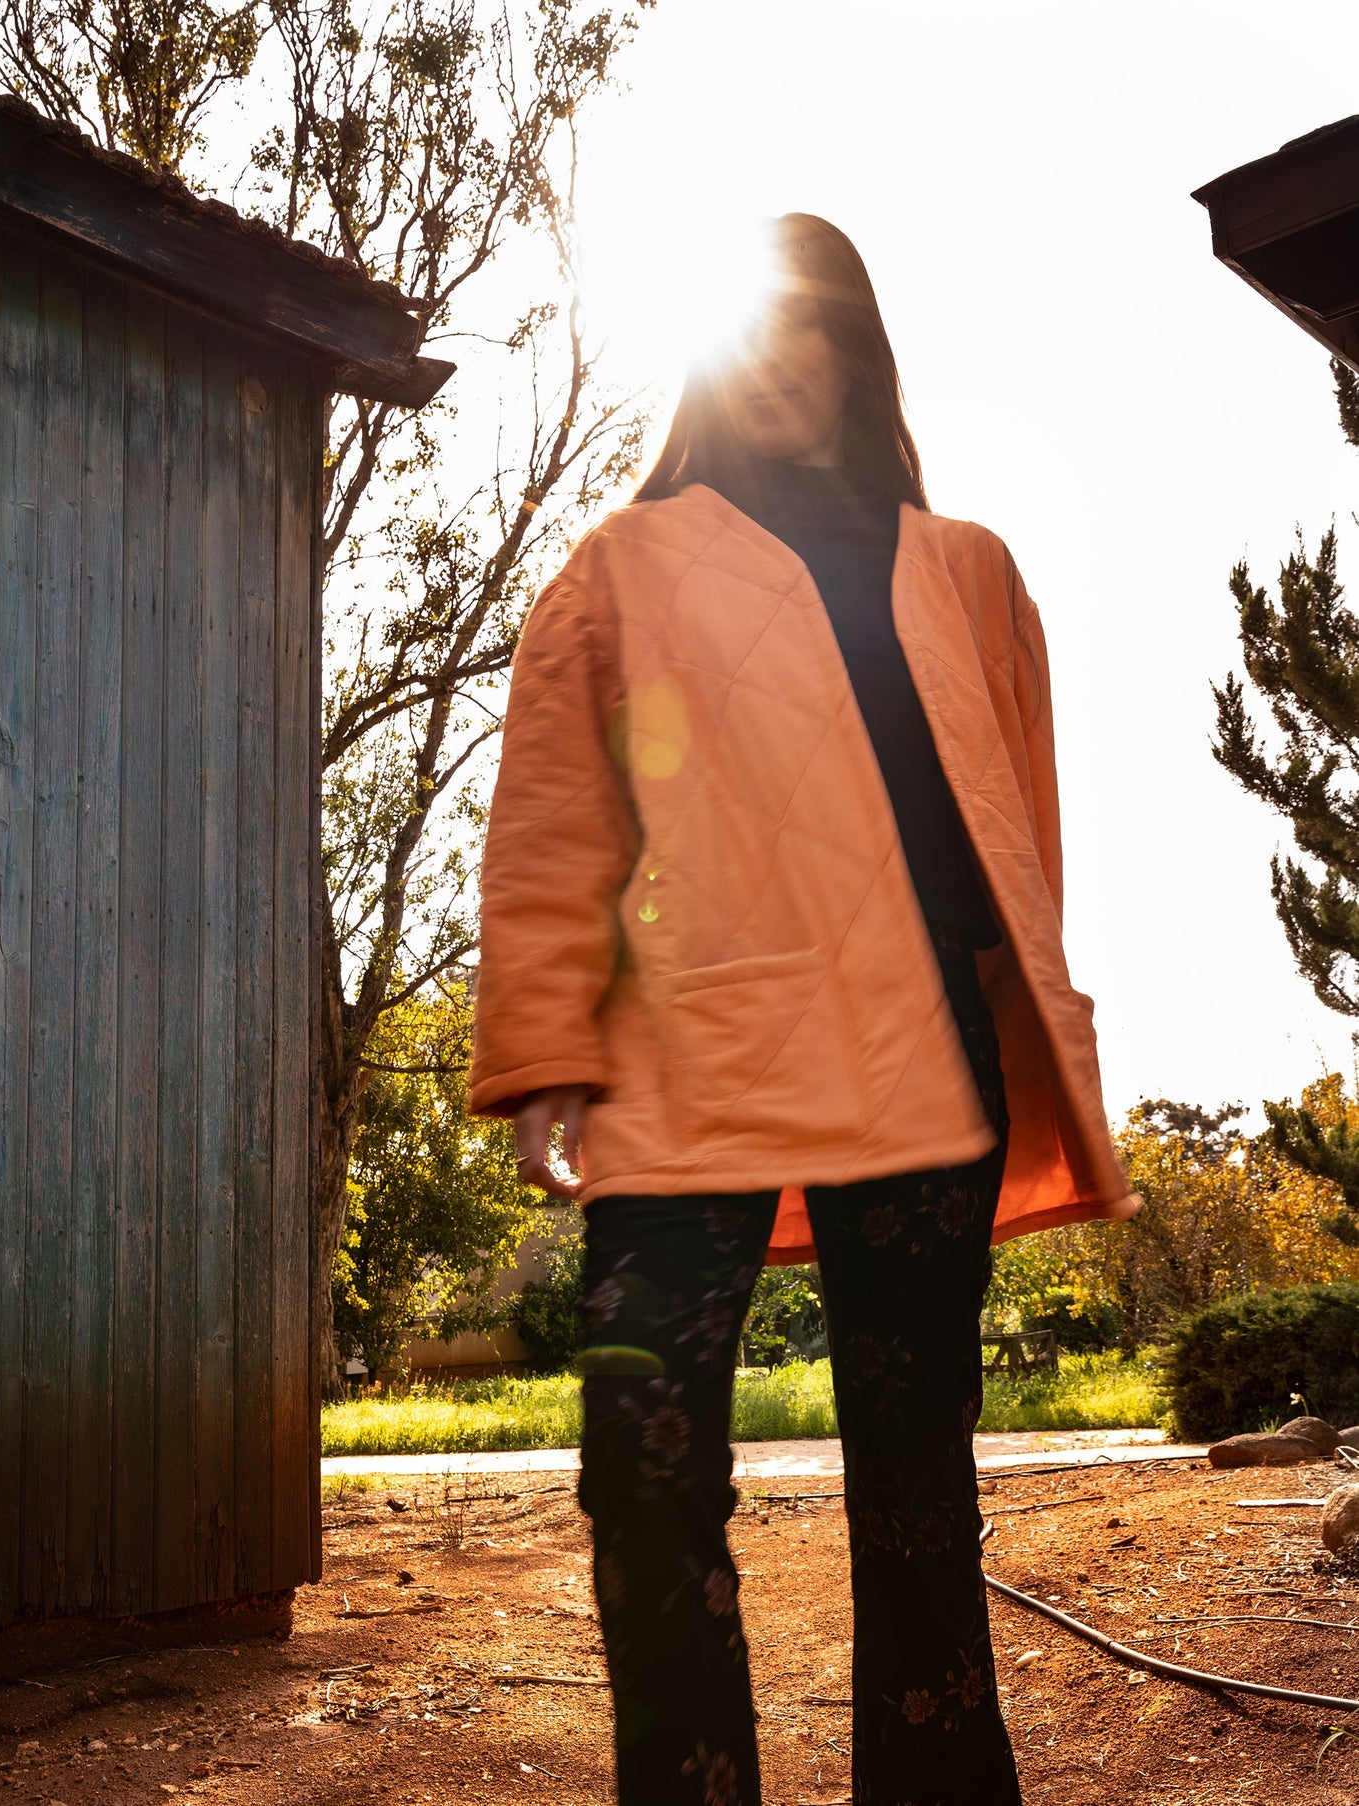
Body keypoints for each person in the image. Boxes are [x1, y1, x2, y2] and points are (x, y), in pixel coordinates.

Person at [468, 212, 1139, 1806]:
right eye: (751, 334)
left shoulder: (969, 568)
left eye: (810, 330)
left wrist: (1035, 1019)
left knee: (915, 1476)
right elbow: (558, 811)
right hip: (680, 1056)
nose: (779, 362)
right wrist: (546, 1046)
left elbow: (1015, 826)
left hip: (922, 1060)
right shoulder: (618, 566)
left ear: (856, 354)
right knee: (641, 1473)